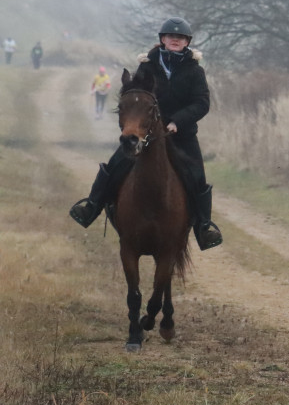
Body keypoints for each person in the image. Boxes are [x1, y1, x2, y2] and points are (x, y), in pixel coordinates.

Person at [69, 17, 223, 251]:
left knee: (197, 177)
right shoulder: (147, 66)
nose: (175, 40)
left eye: (179, 37)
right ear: (162, 39)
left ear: (186, 42)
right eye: (170, 36)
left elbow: (202, 103)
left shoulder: (195, 71)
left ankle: (204, 226)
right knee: (115, 165)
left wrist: (176, 122)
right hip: (146, 133)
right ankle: (92, 205)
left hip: (180, 134)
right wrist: (137, 121)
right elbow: (136, 95)